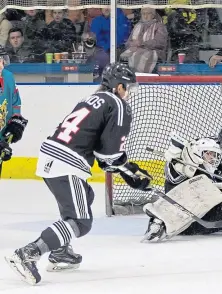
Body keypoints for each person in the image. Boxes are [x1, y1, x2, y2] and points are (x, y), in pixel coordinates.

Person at [5, 63, 152, 285]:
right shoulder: (118, 104)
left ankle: (60, 251)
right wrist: (130, 170)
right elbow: (110, 153)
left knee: (85, 196)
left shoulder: (91, 99)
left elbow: (101, 154)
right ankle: (29, 253)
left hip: (51, 156)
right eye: (128, 88)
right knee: (80, 221)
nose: (129, 94)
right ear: (118, 86)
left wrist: (123, 170)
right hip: (67, 163)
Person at [0, 46, 28, 174]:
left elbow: (15, 103)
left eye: (2, 59)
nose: (2, 63)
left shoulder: (8, 77)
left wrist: (15, 122)